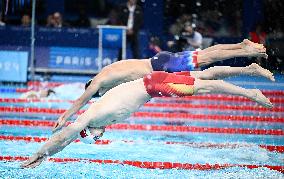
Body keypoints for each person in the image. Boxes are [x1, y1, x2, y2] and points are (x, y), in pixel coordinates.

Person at [21, 70, 273, 168]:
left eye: (96, 137)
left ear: (91, 132)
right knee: (203, 77)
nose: (101, 136)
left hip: (155, 85)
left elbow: (66, 136)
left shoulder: (92, 117)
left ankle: (249, 93)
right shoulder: (102, 116)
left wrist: (41, 154)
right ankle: (249, 71)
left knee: (206, 86)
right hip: (154, 82)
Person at [52, 39, 271, 133]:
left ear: (92, 84)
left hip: (161, 65)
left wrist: (65, 116)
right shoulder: (107, 73)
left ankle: (244, 49)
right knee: (206, 66)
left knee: (206, 58)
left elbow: (83, 100)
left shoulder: (99, 82)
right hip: (160, 65)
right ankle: (245, 56)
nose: (100, 94)